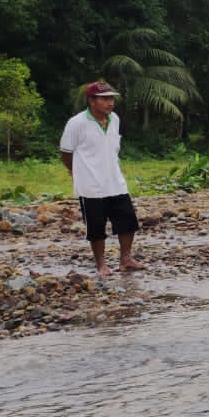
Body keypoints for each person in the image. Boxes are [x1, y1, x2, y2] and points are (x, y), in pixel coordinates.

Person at [60, 81, 145, 276]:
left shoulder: (114, 119)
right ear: (92, 101)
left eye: (111, 99)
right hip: (90, 185)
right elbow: (66, 152)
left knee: (128, 221)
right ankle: (101, 264)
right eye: (104, 99)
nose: (110, 103)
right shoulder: (77, 123)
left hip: (115, 181)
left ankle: (126, 259)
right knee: (96, 227)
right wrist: (74, 170)